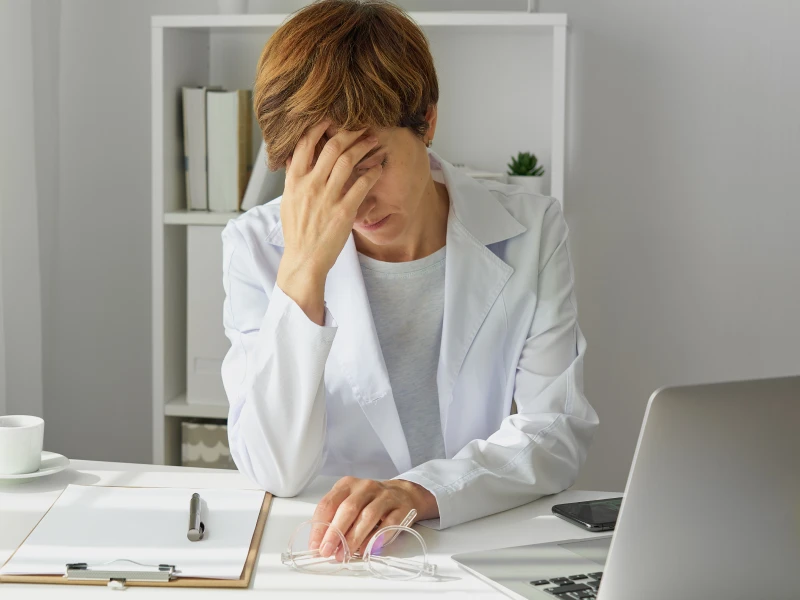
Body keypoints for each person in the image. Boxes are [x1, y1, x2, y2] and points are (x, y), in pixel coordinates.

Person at [221, 0, 598, 558]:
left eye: (368, 162)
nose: (352, 199)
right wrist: (303, 267)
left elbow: (554, 434)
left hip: (474, 541)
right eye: (323, 173)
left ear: (427, 121)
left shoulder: (533, 230)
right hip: (325, 554)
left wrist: (419, 491)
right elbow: (275, 469)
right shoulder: (256, 246)